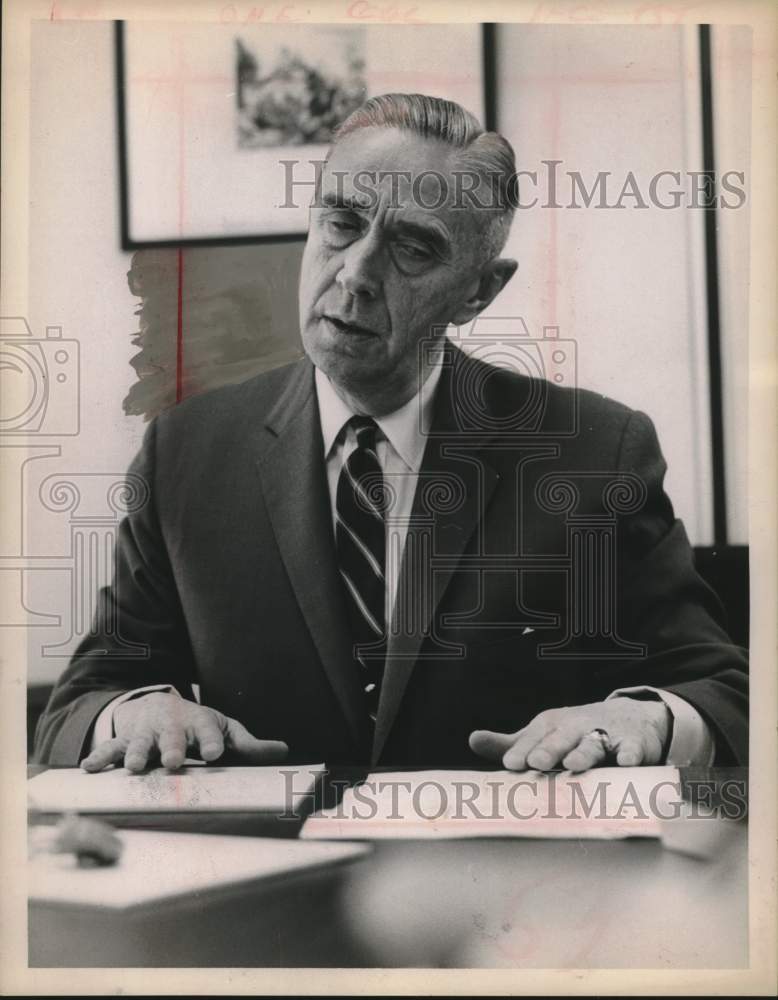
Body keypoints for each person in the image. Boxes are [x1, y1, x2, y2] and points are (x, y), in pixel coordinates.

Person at [35, 94, 748, 774]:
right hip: (262, 882)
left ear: (479, 291)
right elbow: (80, 703)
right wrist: (133, 712)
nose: (356, 274)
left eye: (412, 248)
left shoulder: (595, 449)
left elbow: (723, 694)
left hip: (508, 884)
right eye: (341, 223)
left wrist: (648, 718)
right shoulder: (185, 451)